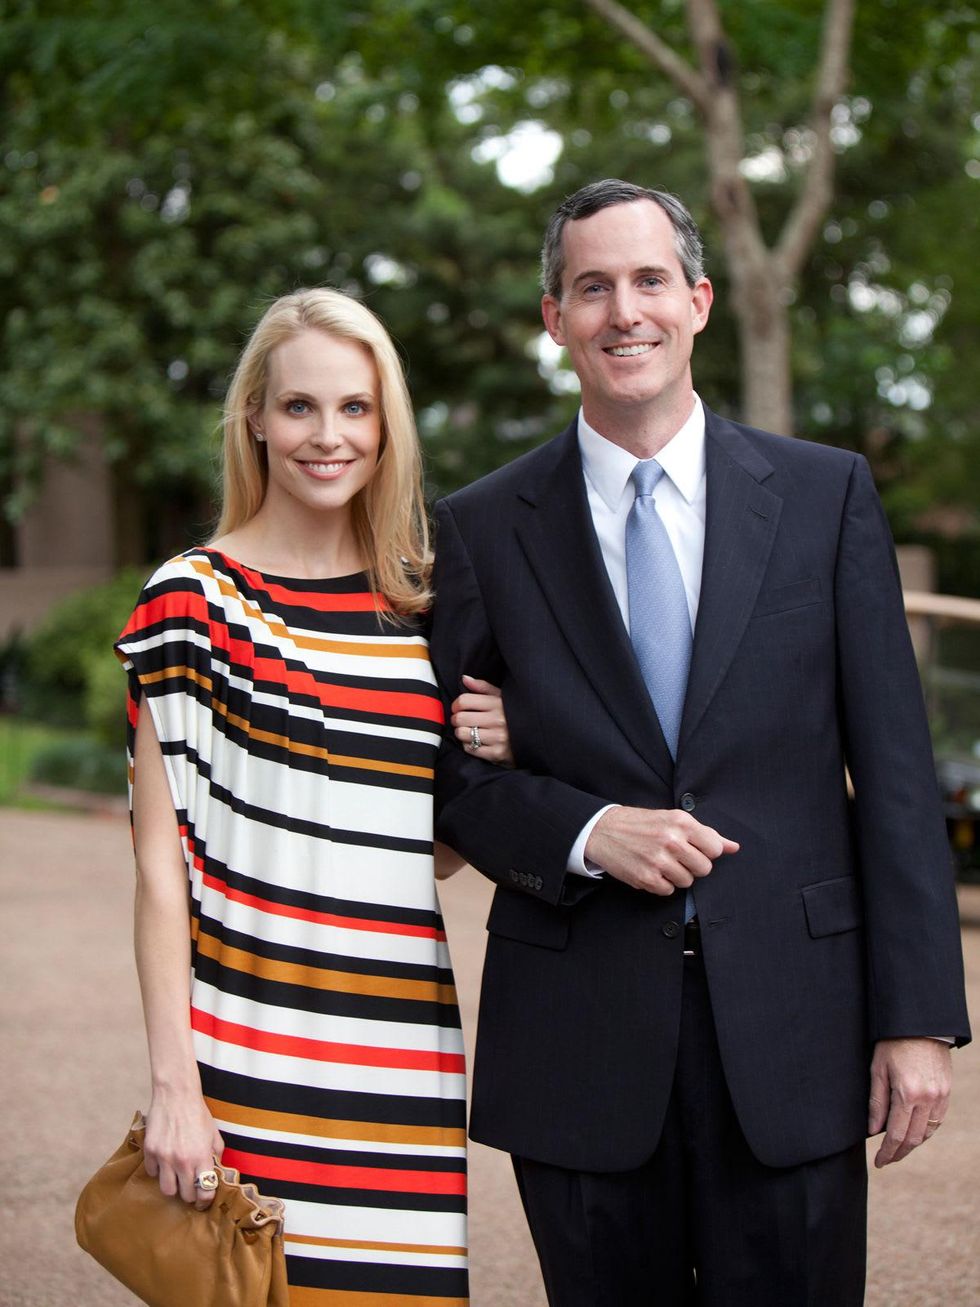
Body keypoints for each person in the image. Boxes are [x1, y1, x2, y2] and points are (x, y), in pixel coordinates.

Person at [430, 179, 970, 1305]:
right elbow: (454, 781)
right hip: (580, 1038)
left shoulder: (825, 497)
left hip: (795, 1028)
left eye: (646, 281)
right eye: (590, 288)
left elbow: (897, 772)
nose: (621, 311)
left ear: (698, 300)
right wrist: (583, 829)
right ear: (553, 317)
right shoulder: (480, 526)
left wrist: (914, 1017)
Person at [114, 287, 510, 1306]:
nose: (327, 436)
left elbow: (428, 847)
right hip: (247, 1054)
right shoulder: (190, 601)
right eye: (298, 407)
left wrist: (496, 747)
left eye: (354, 408)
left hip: (400, 1059)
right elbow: (160, 874)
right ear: (254, 415)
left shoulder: (414, 606)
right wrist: (174, 1089)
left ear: (386, 426)